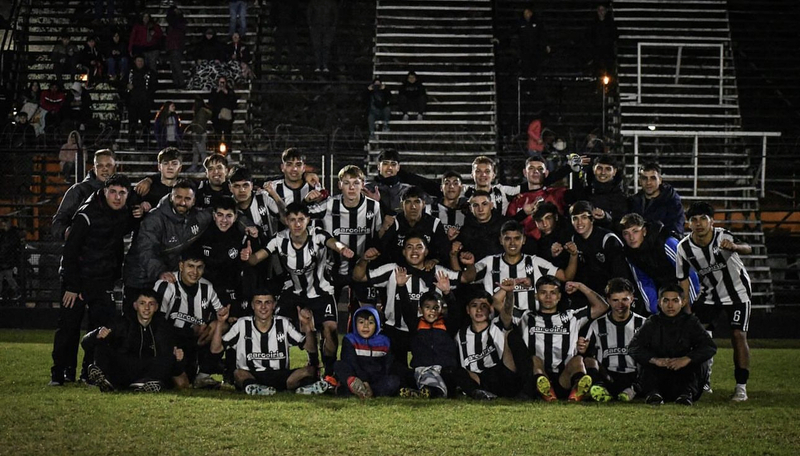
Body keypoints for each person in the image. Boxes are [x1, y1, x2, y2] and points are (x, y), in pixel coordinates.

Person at [241, 202, 354, 377]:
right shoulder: (279, 239)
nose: (297, 224)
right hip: (294, 292)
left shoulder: (317, 235)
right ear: (286, 221)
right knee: (279, 327)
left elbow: (333, 243)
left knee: (330, 330)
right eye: (293, 220)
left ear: (308, 220)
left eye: (301, 219)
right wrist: (247, 257)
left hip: (321, 291)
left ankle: (330, 372)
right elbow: (256, 259)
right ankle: (306, 364)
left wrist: (343, 249)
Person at [50, 174, 138, 386]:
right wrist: (72, 286)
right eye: (113, 192)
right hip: (78, 278)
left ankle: (89, 371)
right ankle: (61, 373)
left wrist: (140, 209)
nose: (117, 197)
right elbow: (70, 250)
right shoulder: (86, 214)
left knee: (102, 327)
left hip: (103, 279)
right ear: (105, 191)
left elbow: (128, 223)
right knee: (69, 327)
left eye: (122, 193)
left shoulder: (124, 212)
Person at [353, 235, 475, 370]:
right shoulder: (393, 270)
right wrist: (364, 260)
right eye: (409, 247)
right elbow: (359, 277)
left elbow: (466, 278)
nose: (414, 251)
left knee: (433, 371)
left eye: (419, 247)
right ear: (404, 252)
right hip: (396, 331)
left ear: (427, 252)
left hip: (427, 334)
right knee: (395, 376)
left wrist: (470, 265)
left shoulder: (438, 272)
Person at [676, 202, 752, 402]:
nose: (698, 223)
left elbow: (748, 248)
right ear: (688, 223)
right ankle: (704, 380)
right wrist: (687, 310)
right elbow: (682, 280)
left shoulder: (723, 236)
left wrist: (734, 247)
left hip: (738, 294)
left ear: (712, 221)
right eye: (694, 219)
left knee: (738, 335)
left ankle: (741, 387)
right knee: (700, 337)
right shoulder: (683, 247)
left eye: (703, 219)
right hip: (709, 296)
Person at [123, 179, 213, 315]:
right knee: (134, 325)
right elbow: (146, 250)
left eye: (187, 198)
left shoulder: (197, 217)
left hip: (165, 279)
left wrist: (247, 225)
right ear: (171, 197)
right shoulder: (155, 218)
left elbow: (224, 211)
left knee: (162, 324)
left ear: (194, 201)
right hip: (139, 279)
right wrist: (160, 272)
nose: (182, 202)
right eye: (178, 197)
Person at [513, 276, 609, 401]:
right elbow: (498, 304)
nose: (548, 297)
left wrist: (580, 286)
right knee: (535, 359)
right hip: (539, 374)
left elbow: (602, 306)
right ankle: (546, 390)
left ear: (559, 297)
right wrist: (512, 286)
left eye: (553, 293)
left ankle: (577, 390)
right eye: (543, 292)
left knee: (578, 360)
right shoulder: (526, 316)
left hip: (565, 378)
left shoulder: (572, 316)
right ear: (536, 296)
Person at [210, 291, 322, 396]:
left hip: (281, 375)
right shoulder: (242, 324)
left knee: (310, 370)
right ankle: (254, 387)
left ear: (274, 305)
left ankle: (303, 388)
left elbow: (310, 348)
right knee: (238, 373)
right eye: (259, 303)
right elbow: (215, 350)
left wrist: (307, 326)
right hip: (252, 374)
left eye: (267, 302)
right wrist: (220, 323)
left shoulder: (283, 323)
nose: (263, 307)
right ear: (252, 305)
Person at [628, 284, 717, 406]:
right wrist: (655, 360)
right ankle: (653, 394)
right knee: (644, 359)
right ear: (659, 302)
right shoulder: (652, 322)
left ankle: (686, 395)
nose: (670, 305)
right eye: (666, 301)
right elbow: (634, 347)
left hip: (685, 375)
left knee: (699, 359)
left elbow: (709, 346)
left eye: (675, 301)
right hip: (659, 374)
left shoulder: (691, 322)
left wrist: (686, 359)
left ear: (683, 302)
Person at [313, 165, 382, 321]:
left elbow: (380, 235)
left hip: (362, 270)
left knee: (369, 315)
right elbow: (299, 214)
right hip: (332, 269)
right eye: (346, 183)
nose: (351, 187)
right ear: (339, 185)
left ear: (363, 185)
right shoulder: (329, 205)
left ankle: (363, 345)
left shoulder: (373, 206)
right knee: (327, 321)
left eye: (356, 183)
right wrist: (307, 199)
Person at [81, 290, 180, 393]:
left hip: (148, 369)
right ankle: (105, 379)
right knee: (101, 344)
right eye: (142, 303)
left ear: (156, 307)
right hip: (124, 367)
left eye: (151, 304)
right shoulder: (122, 323)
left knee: (170, 357)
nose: (147, 308)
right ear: (135, 306)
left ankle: (145, 383)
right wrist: (96, 334)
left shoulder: (163, 327)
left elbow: (170, 361)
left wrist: (178, 359)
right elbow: (85, 343)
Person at [154, 249, 223, 389]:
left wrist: (220, 322)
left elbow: (221, 313)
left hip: (193, 342)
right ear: (181, 266)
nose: (195, 272)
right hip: (170, 342)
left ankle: (204, 373)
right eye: (190, 266)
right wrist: (191, 332)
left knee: (220, 325)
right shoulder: (165, 285)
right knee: (182, 385)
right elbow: (157, 325)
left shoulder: (207, 287)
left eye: (199, 267)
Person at [474, 220, 577, 313]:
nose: (512, 243)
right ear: (501, 240)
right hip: (497, 326)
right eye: (508, 239)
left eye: (517, 238)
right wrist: (469, 264)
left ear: (523, 240)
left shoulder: (536, 262)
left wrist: (573, 255)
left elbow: (566, 277)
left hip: (530, 325)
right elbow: (465, 277)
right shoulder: (489, 262)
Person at [577, 277, 647, 402]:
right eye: (615, 300)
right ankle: (599, 386)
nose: (620, 305)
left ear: (632, 298)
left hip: (634, 375)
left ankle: (634, 389)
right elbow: (587, 353)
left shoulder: (643, 324)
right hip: (608, 376)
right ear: (608, 300)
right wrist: (582, 348)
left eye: (624, 299)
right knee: (588, 360)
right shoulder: (597, 324)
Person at [620, 212, 700, 314]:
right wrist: (655, 311)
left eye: (635, 231)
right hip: (665, 291)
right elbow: (644, 282)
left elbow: (690, 273)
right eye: (626, 233)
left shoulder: (666, 242)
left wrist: (689, 307)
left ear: (644, 231)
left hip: (690, 287)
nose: (631, 237)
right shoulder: (630, 254)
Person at [567, 200, 634, 301]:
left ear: (592, 219)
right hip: (589, 294)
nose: (579, 223)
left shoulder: (608, 239)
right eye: (575, 218)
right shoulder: (574, 240)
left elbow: (621, 275)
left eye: (584, 217)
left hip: (613, 294)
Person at [334, 306, 401, 398]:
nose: (366, 326)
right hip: (356, 375)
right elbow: (350, 361)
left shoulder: (384, 341)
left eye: (370, 323)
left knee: (394, 380)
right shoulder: (350, 339)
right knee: (339, 365)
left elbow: (388, 365)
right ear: (355, 323)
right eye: (361, 322)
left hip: (376, 378)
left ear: (377, 324)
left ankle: (365, 392)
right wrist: (363, 380)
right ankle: (356, 387)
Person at [197, 196, 248, 316]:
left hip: (232, 289)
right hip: (206, 287)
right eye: (220, 215)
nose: (224, 220)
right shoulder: (202, 234)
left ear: (235, 217)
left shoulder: (241, 236)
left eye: (229, 216)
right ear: (214, 215)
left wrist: (248, 257)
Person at [51, 149, 117, 241]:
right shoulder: (79, 190)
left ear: (115, 168)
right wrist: (68, 233)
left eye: (108, 165)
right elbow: (58, 222)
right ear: (94, 168)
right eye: (100, 165)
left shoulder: (121, 192)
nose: (104, 169)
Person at [381, 186, 451, 265]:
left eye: (417, 202)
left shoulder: (434, 223)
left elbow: (445, 251)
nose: (413, 207)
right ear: (401, 205)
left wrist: (435, 260)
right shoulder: (395, 221)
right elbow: (382, 248)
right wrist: (383, 229)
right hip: (399, 270)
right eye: (408, 202)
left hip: (426, 270)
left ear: (423, 204)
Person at [628, 162, 685, 234]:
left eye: (653, 178)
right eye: (644, 178)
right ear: (640, 181)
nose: (648, 182)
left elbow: (676, 229)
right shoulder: (633, 202)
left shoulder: (672, 202)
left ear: (660, 180)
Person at [454, 190, 508, 263]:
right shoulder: (466, 229)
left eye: (484, 204)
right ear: (471, 209)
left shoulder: (505, 225)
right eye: (476, 205)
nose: (480, 209)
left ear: (491, 206)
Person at [126, 55, 158, 148]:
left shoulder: (149, 72)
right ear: (135, 62)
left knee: (146, 123)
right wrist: (127, 87)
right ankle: (132, 142)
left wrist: (148, 94)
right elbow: (123, 83)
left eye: (141, 61)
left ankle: (146, 142)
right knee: (132, 123)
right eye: (138, 60)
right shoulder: (130, 72)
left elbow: (155, 85)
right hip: (132, 102)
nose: (140, 63)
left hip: (145, 102)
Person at [587, 3, 617, 77]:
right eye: (599, 10)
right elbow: (590, 36)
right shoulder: (594, 24)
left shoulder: (610, 23)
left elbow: (614, 35)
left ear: (606, 11)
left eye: (602, 10)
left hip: (608, 52)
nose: (601, 12)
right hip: (597, 52)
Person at [307, 0, 338, 73]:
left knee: (326, 46)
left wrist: (333, 25)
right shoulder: (313, 2)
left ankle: (324, 65)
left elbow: (335, 14)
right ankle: (318, 65)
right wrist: (310, 25)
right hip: (316, 26)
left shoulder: (331, 3)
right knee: (317, 46)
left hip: (327, 26)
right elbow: (309, 13)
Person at [0, 218, 23, 302]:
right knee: (9, 278)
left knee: (6, 278)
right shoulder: (12, 235)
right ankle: (17, 293)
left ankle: (14, 293)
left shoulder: (4, 235)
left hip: (6, 260)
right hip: (7, 261)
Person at [166, 5, 188, 88]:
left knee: (175, 65)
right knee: (174, 65)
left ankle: (180, 82)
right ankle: (177, 82)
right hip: (174, 46)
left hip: (175, 46)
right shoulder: (179, 23)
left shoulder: (176, 23)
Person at [209, 76, 237, 143]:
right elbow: (211, 102)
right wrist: (217, 92)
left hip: (227, 118)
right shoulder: (214, 91)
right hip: (217, 117)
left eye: (223, 82)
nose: (222, 84)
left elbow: (233, 102)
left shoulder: (229, 91)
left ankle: (228, 149)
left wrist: (226, 93)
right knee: (217, 134)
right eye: (220, 82)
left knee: (227, 134)